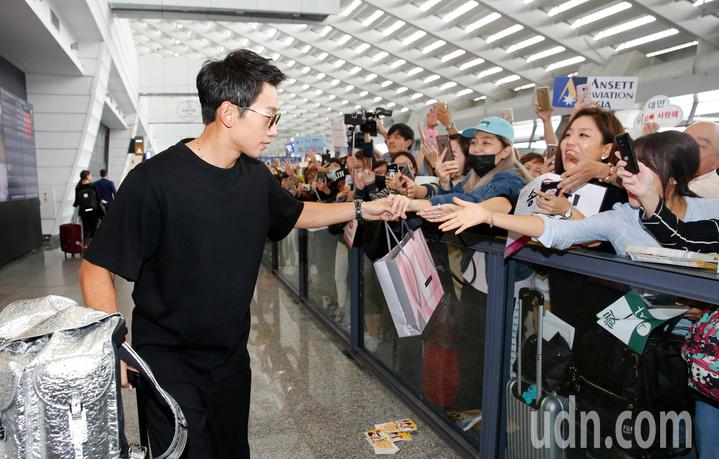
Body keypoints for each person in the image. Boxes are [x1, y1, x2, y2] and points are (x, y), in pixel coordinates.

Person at [78, 49, 395, 458]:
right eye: (270, 117)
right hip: (168, 366)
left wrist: (362, 208)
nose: (274, 130)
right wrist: (114, 344)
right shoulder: (153, 182)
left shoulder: (254, 178)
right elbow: (96, 266)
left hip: (231, 360)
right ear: (229, 113)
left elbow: (296, 213)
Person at [415, 131, 719, 257]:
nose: (630, 174)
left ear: (674, 177)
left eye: (643, 167)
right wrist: (489, 217)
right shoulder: (620, 218)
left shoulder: (711, 211)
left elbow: (682, 239)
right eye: (629, 165)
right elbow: (556, 230)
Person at [685, 121, 719, 198]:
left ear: (717, 162)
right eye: (682, 141)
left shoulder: (703, 189)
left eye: (699, 145)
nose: (685, 148)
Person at [72, 169, 103, 247]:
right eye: (90, 175)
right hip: (94, 211)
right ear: (87, 176)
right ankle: (94, 246)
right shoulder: (93, 186)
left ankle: (85, 244)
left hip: (83, 212)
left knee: (86, 229)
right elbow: (99, 198)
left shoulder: (78, 187)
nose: (91, 176)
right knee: (94, 228)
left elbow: (76, 201)